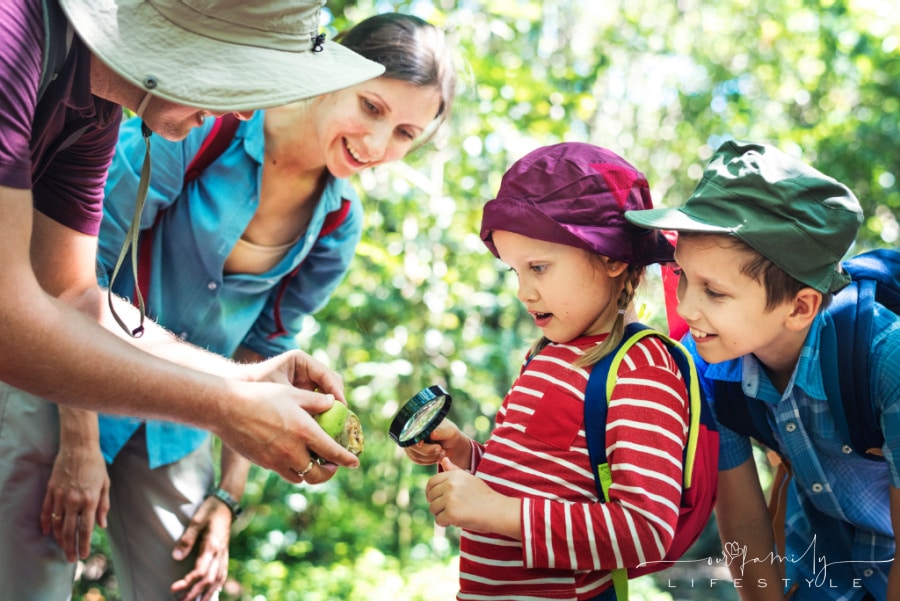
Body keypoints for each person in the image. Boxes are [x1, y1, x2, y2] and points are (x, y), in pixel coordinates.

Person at [42, 13, 452, 601]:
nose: (379, 146)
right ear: (333, 74)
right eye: (371, 107)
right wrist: (78, 441)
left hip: (178, 428)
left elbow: (266, 352)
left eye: (407, 133)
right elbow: (76, 270)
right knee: (30, 576)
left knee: (184, 590)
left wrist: (227, 500)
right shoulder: (206, 126)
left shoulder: (337, 223)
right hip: (65, 381)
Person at [404, 142, 691, 600]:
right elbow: (536, 481)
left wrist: (498, 513)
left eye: (538, 267)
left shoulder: (640, 368)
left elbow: (644, 530)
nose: (523, 291)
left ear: (613, 258)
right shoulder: (543, 357)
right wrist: (464, 454)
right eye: (516, 271)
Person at [625, 140, 900, 601]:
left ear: (800, 307)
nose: (686, 307)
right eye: (683, 277)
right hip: (823, 568)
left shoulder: (883, 361)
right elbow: (744, 520)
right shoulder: (704, 367)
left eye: (714, 291)